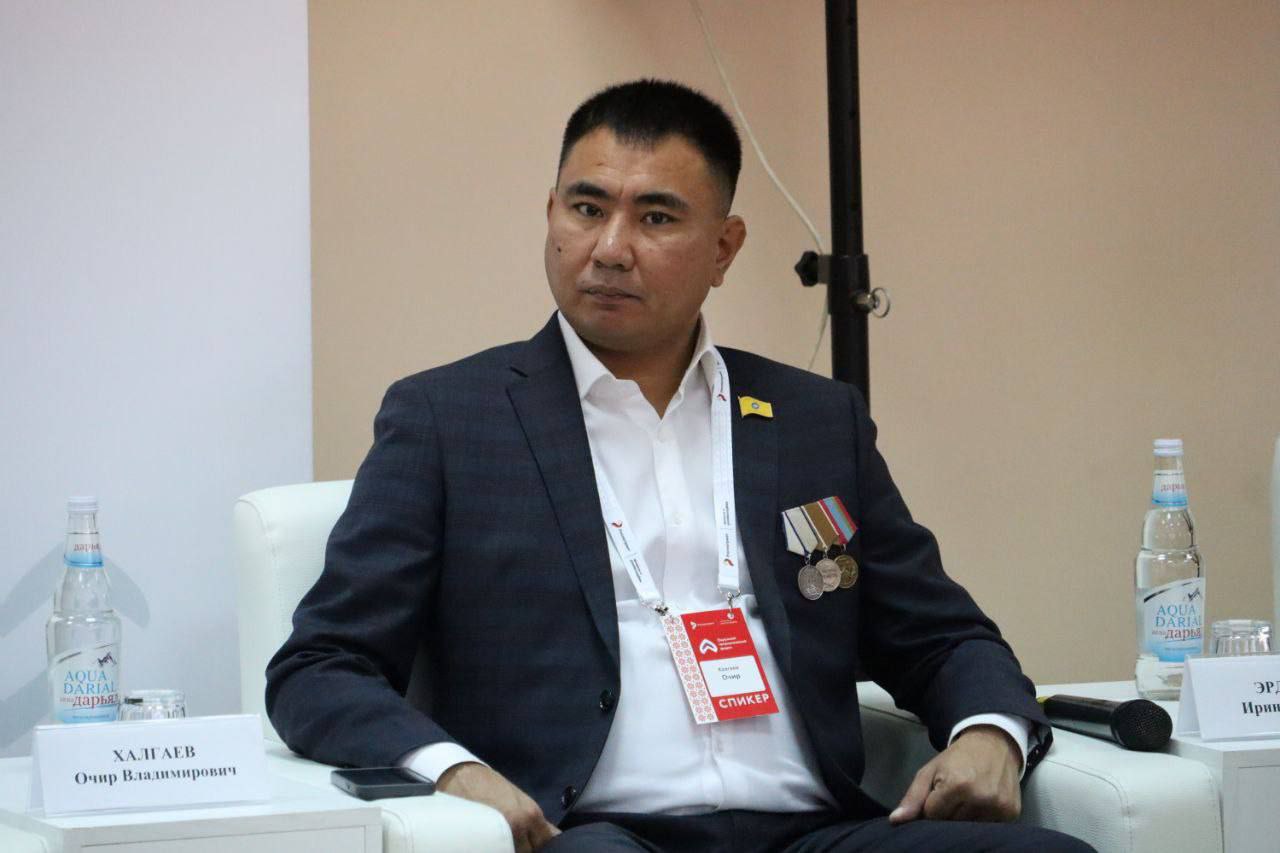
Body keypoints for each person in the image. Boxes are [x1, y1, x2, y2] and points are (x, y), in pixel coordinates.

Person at [267, 79, 1092, 853]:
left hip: (813, 830)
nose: (610, 248)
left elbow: (940, 636)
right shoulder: (450, 419)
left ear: (725, 247)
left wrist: (989, 732)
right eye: (587, 208)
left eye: (656, 217)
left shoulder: (814, 419)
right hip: (590, 832)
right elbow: (321, 666)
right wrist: (453, 771)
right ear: (551, 214)